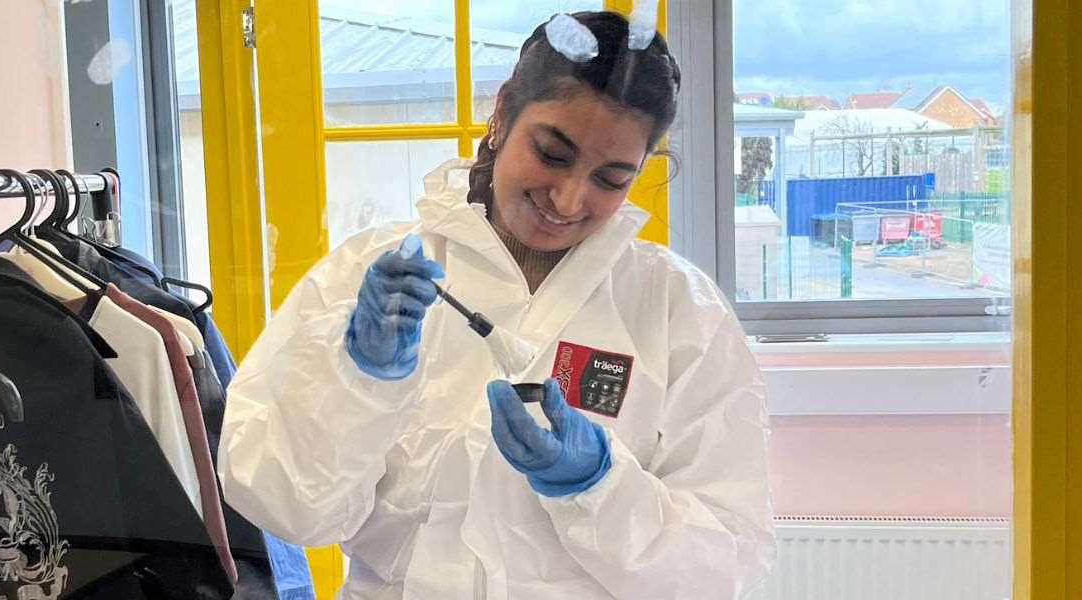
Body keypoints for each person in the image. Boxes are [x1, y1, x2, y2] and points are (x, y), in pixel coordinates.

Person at [220, 10, 773, 599]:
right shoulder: (369, 275)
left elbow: (722, 569)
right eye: (553, 154)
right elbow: (287, 510)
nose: (568, 198)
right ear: (504, 111)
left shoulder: (675, 309)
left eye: (611, 179)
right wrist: (356, 382)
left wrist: (598, 485)